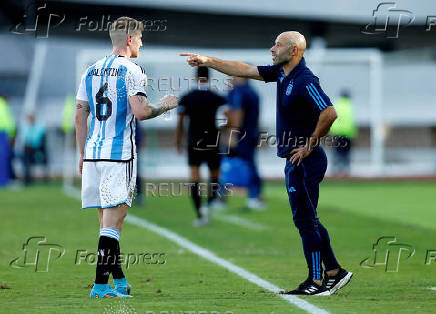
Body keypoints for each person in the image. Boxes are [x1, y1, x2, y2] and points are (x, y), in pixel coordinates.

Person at [180, 31, 352, 296]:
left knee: (306, 221)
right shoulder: (282, 73)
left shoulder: (305, 80)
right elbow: (244, 69)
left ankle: (316, 282)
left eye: (278, 45)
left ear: (294, 50)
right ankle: (334, 272)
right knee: (308, 220)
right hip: (294, 160)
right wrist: (207, 60)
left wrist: (309, 145)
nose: (272, 48)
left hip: (306, 161)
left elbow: (329, 113)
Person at [75, 16, 177, 299]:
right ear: (130, 40)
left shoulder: (90, 70)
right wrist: (165, 106)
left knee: (106, 225)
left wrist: (82, 153)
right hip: (119, 155)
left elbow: (79, 114)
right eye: (141, 38)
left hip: (94, 154)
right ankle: (99, 286)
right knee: (113, 226)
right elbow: (142, 112)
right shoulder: (133, 70)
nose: (142, 43)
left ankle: (118, 280)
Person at [176, 67, 226, 226]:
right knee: (215, 177)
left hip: (194, 142)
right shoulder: (217, 98)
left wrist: (178, 141)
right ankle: (208, 204)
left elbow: (180, 121)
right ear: (209, 78)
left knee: (194, 178)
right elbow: (228, 119)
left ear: (195, 77)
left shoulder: (187, 98)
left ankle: (199, 214)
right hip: (213, 141)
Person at [225, 76, 264, 210]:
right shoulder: (253, 92)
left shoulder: (239, 91)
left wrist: (233, 134)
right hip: (251, 133)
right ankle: (256, 196)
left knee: (229, 164)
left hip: (241, 135)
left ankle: (221, 197)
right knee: (250, 164)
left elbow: (237, 113)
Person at [329, 89, 358, 176]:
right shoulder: (350, 106)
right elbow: (351, 121)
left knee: (337, 152)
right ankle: (346, 172)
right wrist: (353, 134)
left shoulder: (336, 105)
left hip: (337, 133)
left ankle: (335, 171)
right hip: (347, 134)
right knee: (346, 153)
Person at [22, 114, 47, 185]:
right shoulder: (25, 128)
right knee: (26, 159)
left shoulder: (39, 127)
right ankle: (27, 180)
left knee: (42, 158)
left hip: (38, 149)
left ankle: (44, 179)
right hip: (29, 149)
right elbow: (25, 139)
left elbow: (40, 139)